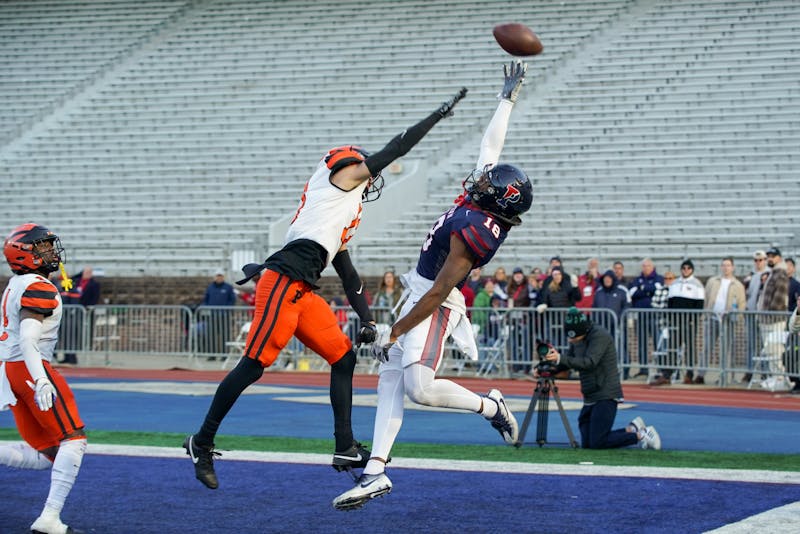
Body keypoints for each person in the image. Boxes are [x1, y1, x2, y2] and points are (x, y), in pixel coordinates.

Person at [183, 86, 467, 490]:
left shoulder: (340, 210)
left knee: (343, 358)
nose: (370, 177)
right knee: (253, 365)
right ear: (343, 165)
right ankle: (202, 441)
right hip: (282, 280)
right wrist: (435, 118)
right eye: (364, 169)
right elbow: (394, 149)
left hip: (302, 291)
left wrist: (367, 320)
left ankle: (345, 447)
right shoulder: (336, 180)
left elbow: (349, 275)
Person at [333, 61, 529, 511]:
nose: (479, 179)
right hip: (417, 292)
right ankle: (375, 472)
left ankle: (491, 407)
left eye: (486, 183)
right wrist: (507, 99)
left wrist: (396, 329)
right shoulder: (481, 202)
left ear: (495, 199)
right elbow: (490, 146)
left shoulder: (477, 231)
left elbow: (440, 291)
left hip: (435, 304)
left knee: (418, 387)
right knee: (388, 379)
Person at [0, 223, 87, 534]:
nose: (51, 251)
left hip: (11, 368)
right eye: (42, 247)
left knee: (46, 453)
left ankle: (49, 519)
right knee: (73, 440)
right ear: (26, 254)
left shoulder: (18, 282)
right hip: (27, 365)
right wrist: (41, 379)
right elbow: (28, 339)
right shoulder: (38, 285)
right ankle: (49, 520)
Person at [540, 307, 661, 450]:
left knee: (598, 442)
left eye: (573, 337)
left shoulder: (599, 336)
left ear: (582, 331)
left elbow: (589, 362)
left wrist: (560, 358)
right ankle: (633, 428)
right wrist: (548, 367)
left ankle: (642, 434)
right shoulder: (578, 338)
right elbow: (569, 361)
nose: (571, 340)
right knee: (589, 443)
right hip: (590, 392)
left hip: (606, 392)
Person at [697, 257, 746, 384]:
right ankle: (701, 374)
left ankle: (724, 376)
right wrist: (706, 314)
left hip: (728, 320)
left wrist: (737, 318)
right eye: (724, 265)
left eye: (728, 265)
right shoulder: (713, 281)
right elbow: (707, 298)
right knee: (707, 347)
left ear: (733, 267)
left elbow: (741, 304)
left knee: (726, 349)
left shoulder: (738, 285)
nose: (726, 268)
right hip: (713, 318)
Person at [756, 247, 791, 391]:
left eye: (773, 256)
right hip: (768, 319)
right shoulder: (772, 273)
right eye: (768, 256)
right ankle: (776, 377)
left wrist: (769, 313)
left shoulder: (780, 274)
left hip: (775, 320)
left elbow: (779, 297)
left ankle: (780, 378)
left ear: (779, 258)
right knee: (771, 351)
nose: (770, 258)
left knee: (775, 350)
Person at [667, 259, 705, 384]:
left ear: (692, 270)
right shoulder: (675, 283)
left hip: (689, 322)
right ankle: (668, 373)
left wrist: (693, 320)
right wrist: (671, 319)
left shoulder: (697, 284)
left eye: (688, 268)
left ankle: (689, 373)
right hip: (676, 321)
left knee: (689, 349)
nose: (686, 270)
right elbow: (670, 303)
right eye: (684, 268)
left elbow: (699, 305)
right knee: (672, 347)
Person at [628, 258, 665, 378]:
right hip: (640, 316)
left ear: (652, 267)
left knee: (657, 342)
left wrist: (643, 288)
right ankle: (643, 369)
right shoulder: (637, 279)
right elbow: (632, 293)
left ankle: (660, 369)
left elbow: (658, 290)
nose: (645, 268)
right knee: (641, 343)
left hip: (654, 316)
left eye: (648, 266)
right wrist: (648, 290)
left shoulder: (658, 278)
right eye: (644, 266)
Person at [57, 265, 100, 365]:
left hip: (80, 313)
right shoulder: (75, 281)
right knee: (66, 336)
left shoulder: (93, 284)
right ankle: (67, 356)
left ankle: (73, 356)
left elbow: (94, 297)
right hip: (69, 314)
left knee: (74, 336)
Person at [742, 250, 769, 382]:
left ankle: (765, 371)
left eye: (761, 260)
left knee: (765, 343)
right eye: (756, 260)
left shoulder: (769, 274)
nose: (758, 263)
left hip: (763, 314)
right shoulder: (750, 276)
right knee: (751, 344)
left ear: (765, 260)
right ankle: (750, 371)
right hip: (751, 312)